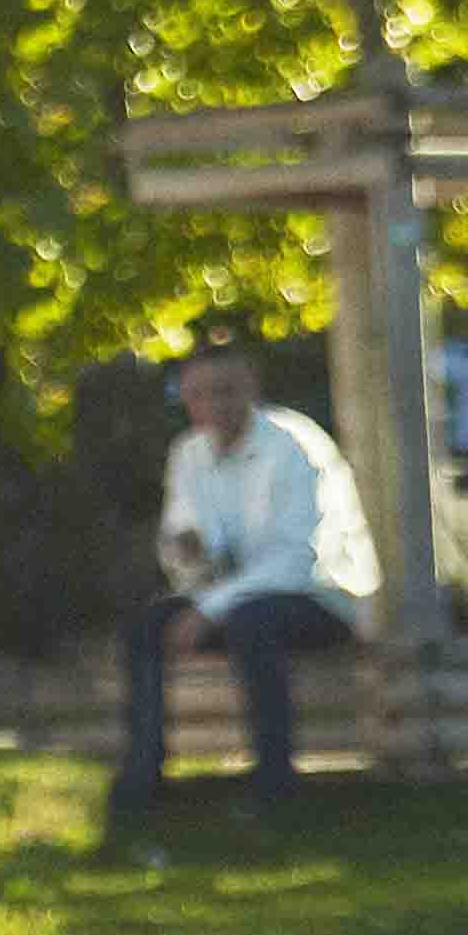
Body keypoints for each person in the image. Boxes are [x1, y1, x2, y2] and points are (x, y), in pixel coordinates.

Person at [117, 339, 380, 817]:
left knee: (252, 626)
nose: (212, 405)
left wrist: (206, 608)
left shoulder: (296, 446)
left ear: (250, 389)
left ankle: (274, 785)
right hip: (230, 597)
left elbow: (297, 562)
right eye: (198, 395)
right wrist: (187, 555)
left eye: (225, 391)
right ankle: (143, 780)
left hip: (323, 597)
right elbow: (189, 551)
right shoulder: (189, 453)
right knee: (145, 627)